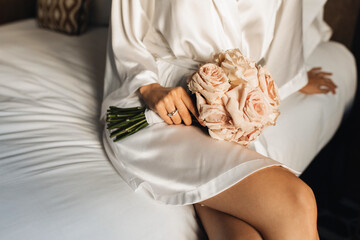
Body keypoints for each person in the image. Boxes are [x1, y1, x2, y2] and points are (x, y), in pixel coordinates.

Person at [101, 0, 356, 239]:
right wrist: (150, 88)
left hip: (228, 109)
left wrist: (292, 79)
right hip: (159, 103)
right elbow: (128, 38)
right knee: (296, 201)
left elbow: (283, 46)